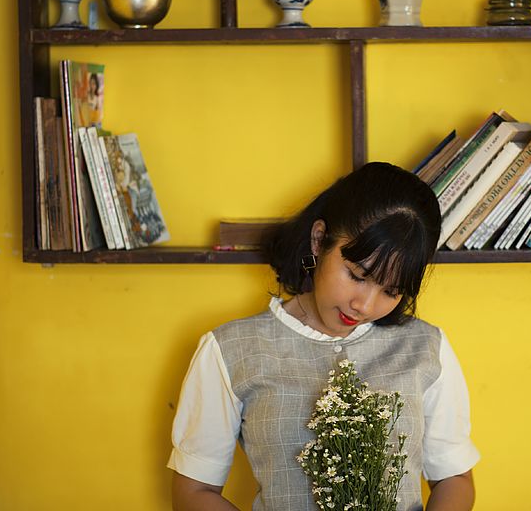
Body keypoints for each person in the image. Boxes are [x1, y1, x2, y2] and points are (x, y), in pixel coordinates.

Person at [168, 162, 480, 511]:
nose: (364, 304)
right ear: (319, 240)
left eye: (391, 291)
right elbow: (194, 491)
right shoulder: (230, 350)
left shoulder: (426, 347)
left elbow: (454, 478)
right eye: (357, 275)